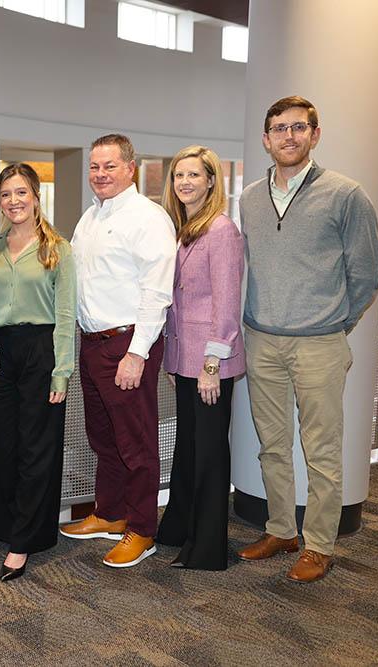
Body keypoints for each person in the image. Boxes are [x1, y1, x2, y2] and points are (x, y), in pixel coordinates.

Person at [237, 96, 378, 583]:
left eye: (299, 127)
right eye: (279, 128)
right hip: (261, 340)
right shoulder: (250, 198)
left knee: (321, 450)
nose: (289, 136)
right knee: (271, 444)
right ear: (266, 139)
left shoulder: (346, 195)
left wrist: (334, 325)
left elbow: (364, 276)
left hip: (319, 343)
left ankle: (319, 544)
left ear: (314, 135)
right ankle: (281, 529)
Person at [59, 133, 176, 568]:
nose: (100, 174)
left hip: (127, 345)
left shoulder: (148, 218)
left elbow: (156, 290)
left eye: (110, 166)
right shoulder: (89, 218)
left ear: (131, 167)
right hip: (92, 344)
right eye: (94, 166)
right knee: (103, 437)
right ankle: (110, 513)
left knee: (137, 442)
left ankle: (143, 529)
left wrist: (138, 352)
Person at [0, 163, 75, 582]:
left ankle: (24, 540)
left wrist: (61, 372)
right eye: (6, 194)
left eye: (21, 192)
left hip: (42, 349)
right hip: (0, 352)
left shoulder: (58, 248)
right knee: (4, 444)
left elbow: (66, 314)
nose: (14, 201)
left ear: (36, 197)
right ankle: (5, 525)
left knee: (38, 447)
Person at [155, 146, 245, 571]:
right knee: (187, 449)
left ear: (212, 181)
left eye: (193, 175)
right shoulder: (184, 229)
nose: (184, 183)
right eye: (178, 176)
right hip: (185, 360)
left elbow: (226, 307)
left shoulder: (222, 230)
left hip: (211, 363)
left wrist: (211, 365)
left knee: (209, 452)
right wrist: (177, 362)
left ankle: (207, 549)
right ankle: (179, 530)